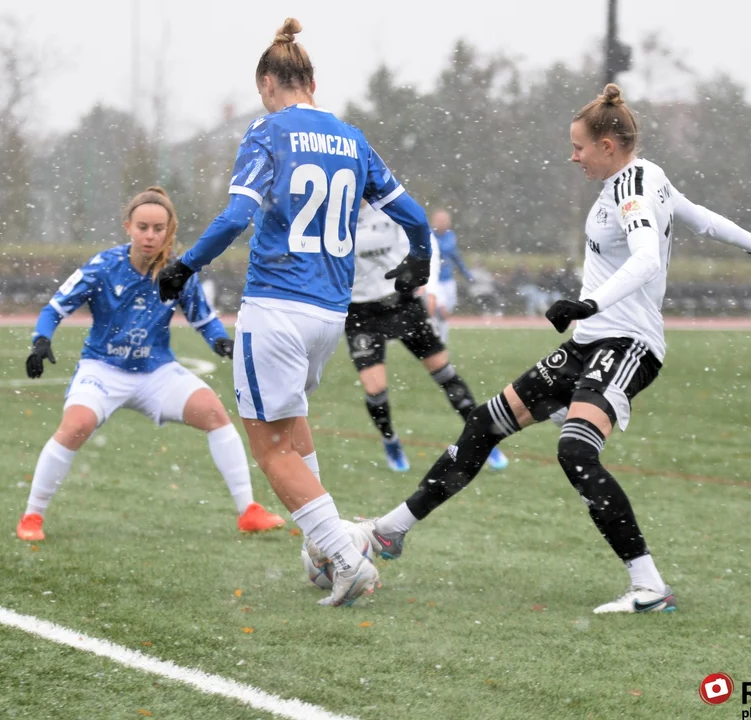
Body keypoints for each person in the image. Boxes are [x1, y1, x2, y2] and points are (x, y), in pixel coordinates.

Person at [361, 84, 751, 614]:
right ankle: (390, 530)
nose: (573, 156)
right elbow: (698, 215)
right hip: (590, 343)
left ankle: (650, 587)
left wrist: (589, 303)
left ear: (608, 145)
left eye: (579, 147)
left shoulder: (630, 191)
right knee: (484, 424)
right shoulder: (647, 175)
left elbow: (646, 260)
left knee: (576, 451)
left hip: (628, 343)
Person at [157, 19, 433, 607]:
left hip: (276, 306)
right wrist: (421, 259)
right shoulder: (351, 138)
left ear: (266, 83)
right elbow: (412, 213)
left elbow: (236, 217)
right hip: (329, 314)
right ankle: (325, 547)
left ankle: (345, 556)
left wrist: (185, 265)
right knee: (291, 427)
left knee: (269, 448)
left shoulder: (268, 130)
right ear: (313, 81)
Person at [17, 187, 285, 542]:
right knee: (76, 425)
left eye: (158, 228)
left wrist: (221, 341)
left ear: (169, 230)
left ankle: (248, 511)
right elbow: (54, 308)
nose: (150, 235)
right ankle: (32, 516)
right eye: (142, 227)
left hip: (156, 371)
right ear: (128, 227)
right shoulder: (103, 267)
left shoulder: (177, 271)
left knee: (214, 413)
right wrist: (41, 340)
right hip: (102, 369)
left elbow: (203, 318)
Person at [345, 201, 508, 472]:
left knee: (444, 373)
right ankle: (390, 439)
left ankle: (481, 440)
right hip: (361, 312)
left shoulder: (388, 202)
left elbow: (425, 240)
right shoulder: (334, 210)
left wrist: (429, 288)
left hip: (402, 302)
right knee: (375, 390)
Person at [427, 209, 474, 343]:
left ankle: (442, 340)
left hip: (448, 280)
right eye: (439, 220)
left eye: (445, 220)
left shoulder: (451, 236)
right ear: (433, 221)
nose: (442, 223)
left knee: (446, 312)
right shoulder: (429, 236)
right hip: (435, 280)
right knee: (439, 310)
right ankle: (437, 341)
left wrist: (467, 274)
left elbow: (456, 257)